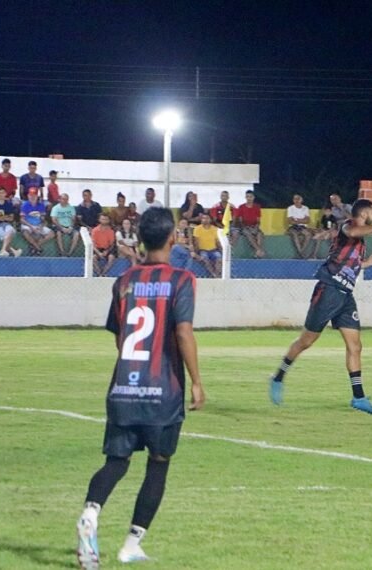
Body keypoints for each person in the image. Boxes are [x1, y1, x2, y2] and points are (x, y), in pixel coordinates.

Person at [75, 207, 205, 569]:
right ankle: (131, 543)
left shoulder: (124, 281)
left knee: (116, 462)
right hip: (162, 391)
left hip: (123, 388)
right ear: (173, 238)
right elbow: (183, 332)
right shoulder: (182, 279)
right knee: (158, 464)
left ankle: (91, 512)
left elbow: (120, 337)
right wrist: (196, 381)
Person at [268, 200, 372, 414]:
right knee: (306, 341)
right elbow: (355, 231)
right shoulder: (349, 226)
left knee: (355, 346)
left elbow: (350, 263)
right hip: (328, 290)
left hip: (346, 295)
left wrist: (368, 263)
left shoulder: (359, 237)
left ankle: (358, 397)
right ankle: (278, 377)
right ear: (364, 212)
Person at [0, 189, 22, 257]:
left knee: (11, 230)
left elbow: (11, 218)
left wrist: (1, 217)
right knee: (4, 236)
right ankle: (14, 251)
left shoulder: (9, 204)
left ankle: (3, 250)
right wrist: (6, 217)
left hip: (6, 224)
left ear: (5, 194)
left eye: (2, 193)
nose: (1, 194)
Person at [232, 190, 266, 259]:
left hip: (254, 226)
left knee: (260, 234)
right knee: (248, 233)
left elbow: (258, 221)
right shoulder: (241, 207)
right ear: (245, 197)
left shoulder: (257, 207)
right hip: (244, 227)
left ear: (253, 197)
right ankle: (259, 250)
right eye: (247, 197)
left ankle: (257, 254)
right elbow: (240, 221)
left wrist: (256, 228)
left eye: (250, 197)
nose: (249, 198)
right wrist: (247, 228)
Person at [19, 190, 53, 256]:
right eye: (30, 195)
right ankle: (38, 248)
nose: (32, 197)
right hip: (28, 224)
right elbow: (22, 219)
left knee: (51, 234)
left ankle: (35, 246)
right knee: (25, 232)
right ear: (28, 196)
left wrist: (41, 226)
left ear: (37, 196)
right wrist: (31, 226)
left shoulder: (41, 205)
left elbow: (43, 219)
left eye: (34, 195)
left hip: (38, 224)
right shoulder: (25, 205)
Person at [286, 194, 313, 259]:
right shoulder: (290, 208)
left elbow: (307, 221)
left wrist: (297, 220)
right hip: (293, 227)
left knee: (308, 234)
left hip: (302, 227)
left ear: (301, 200)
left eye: (298, 199)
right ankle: (301, 253)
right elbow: (290, 221)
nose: (297, 200)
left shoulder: (305, 208)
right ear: (293, 200)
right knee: (294, 235)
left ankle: (300, 252)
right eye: (295, 199)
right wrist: (301, 220)